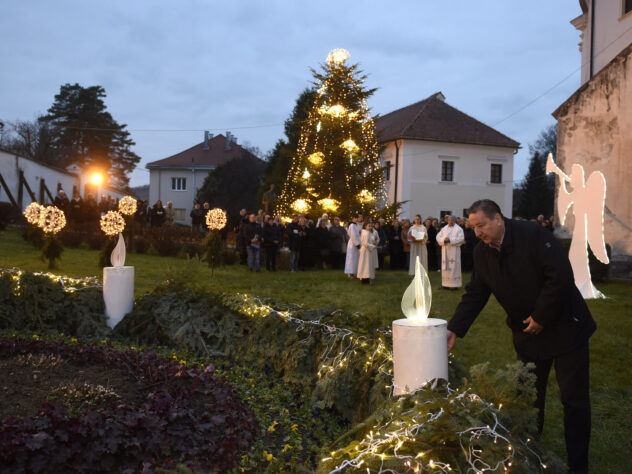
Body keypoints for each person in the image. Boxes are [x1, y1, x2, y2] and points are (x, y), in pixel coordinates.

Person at [447, 199, 595, 474]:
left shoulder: (533, 234)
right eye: (473, 227)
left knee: (573, 400)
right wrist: (454, 327)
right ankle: (529, 456)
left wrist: (541, 316)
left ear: (498, 219)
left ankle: (578, 465)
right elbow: (476, 294)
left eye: (481, 225)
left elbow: (560, 276)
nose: (477, 232)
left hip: (566, 329)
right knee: (528, 399)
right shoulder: (482, 253)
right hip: (528, 336)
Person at [436, 215, 464, 288]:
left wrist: (450, 240)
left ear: (455, 221)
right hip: (445, 250)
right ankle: (445, 284)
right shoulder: (444, 229)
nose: (450, 222)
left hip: (454, 250)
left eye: (452, 220)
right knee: (445, 266)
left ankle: (454, 285)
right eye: (449, 220)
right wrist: (444, 240)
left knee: (454, 266)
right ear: (447, 221)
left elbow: (461, 238)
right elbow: (438, 237)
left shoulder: (459, 229)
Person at [344, 214, 361, 279]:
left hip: (355, 243)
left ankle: (354, 272)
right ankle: (349, 273)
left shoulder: (356, 225)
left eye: (357, 218)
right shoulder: (352, 225)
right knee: (351, 259)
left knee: (355, 259)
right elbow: (353, 235)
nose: (357, 219)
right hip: (353, 244)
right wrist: (357, 244)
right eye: (355, 218)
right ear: (353, 218)